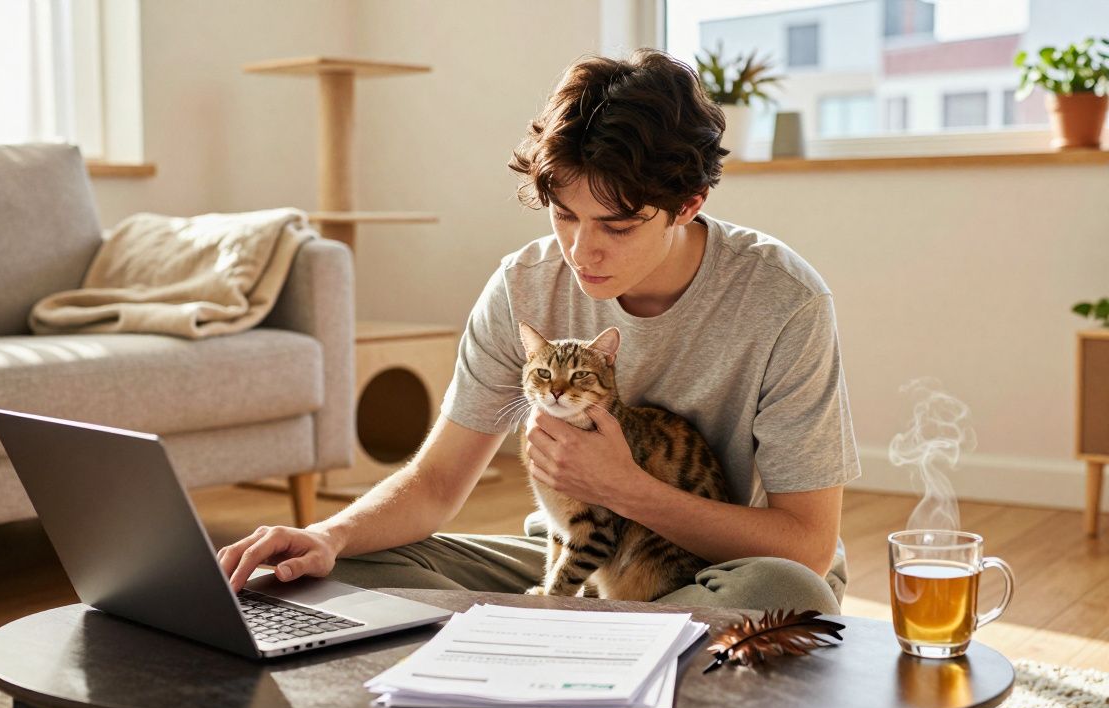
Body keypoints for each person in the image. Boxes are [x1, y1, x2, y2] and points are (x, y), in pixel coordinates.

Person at [218, 48, 859, 615]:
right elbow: (437, 484)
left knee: (788, 591)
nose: (582, 251)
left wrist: (625, 488)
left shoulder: (783, 300)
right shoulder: (523, 283)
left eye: (617, 225)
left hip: (722, 573)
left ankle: (550, 636)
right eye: (564, 215)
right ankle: (592, 638)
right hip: (571, 559)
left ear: (687, 204)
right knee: (337, 571)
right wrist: (328, 535)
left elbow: (805, 545)